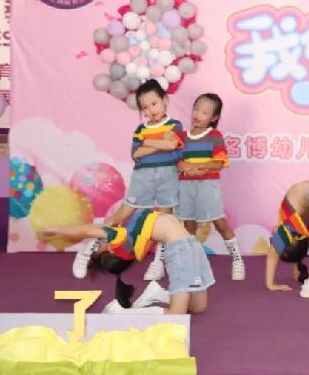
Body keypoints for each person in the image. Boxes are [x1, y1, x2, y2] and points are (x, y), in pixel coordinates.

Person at [72, 79, 183, 281]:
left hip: (168, 177)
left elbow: (171, 145)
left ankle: (159, 262)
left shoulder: (175, 125)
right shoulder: (141, 130)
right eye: (145, 107)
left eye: (154, 104)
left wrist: (149, 143)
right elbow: (137, 154)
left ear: (165, 100)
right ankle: (89, 247)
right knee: (121, 215)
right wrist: (159, 142)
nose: (151, 110)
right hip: (143, 177)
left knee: (165, 219)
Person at [41, 208, 213, 314]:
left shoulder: (128, 238)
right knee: (176, 315)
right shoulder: (121, 239)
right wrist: (55, 229)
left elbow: (95, 229)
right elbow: (86, 231)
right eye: (98, 248)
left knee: (198, 307)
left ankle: (157, 293)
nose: (98, 244)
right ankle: (120, 312)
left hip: (193, 246)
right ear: (111, 251)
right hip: (181, 251)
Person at [176, 93, 245, 280]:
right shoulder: (182, 137)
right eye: (196, 109)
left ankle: (237, 259)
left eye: (204, 112)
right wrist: (185, 168)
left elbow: (219, 163)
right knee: (188, 225)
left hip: (207, 186)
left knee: (220, 223)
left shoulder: (215, 136)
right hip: (185, 188)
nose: (197, 114)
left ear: (214, 118)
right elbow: (178, 163)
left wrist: (196, 167)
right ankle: (191, 263)